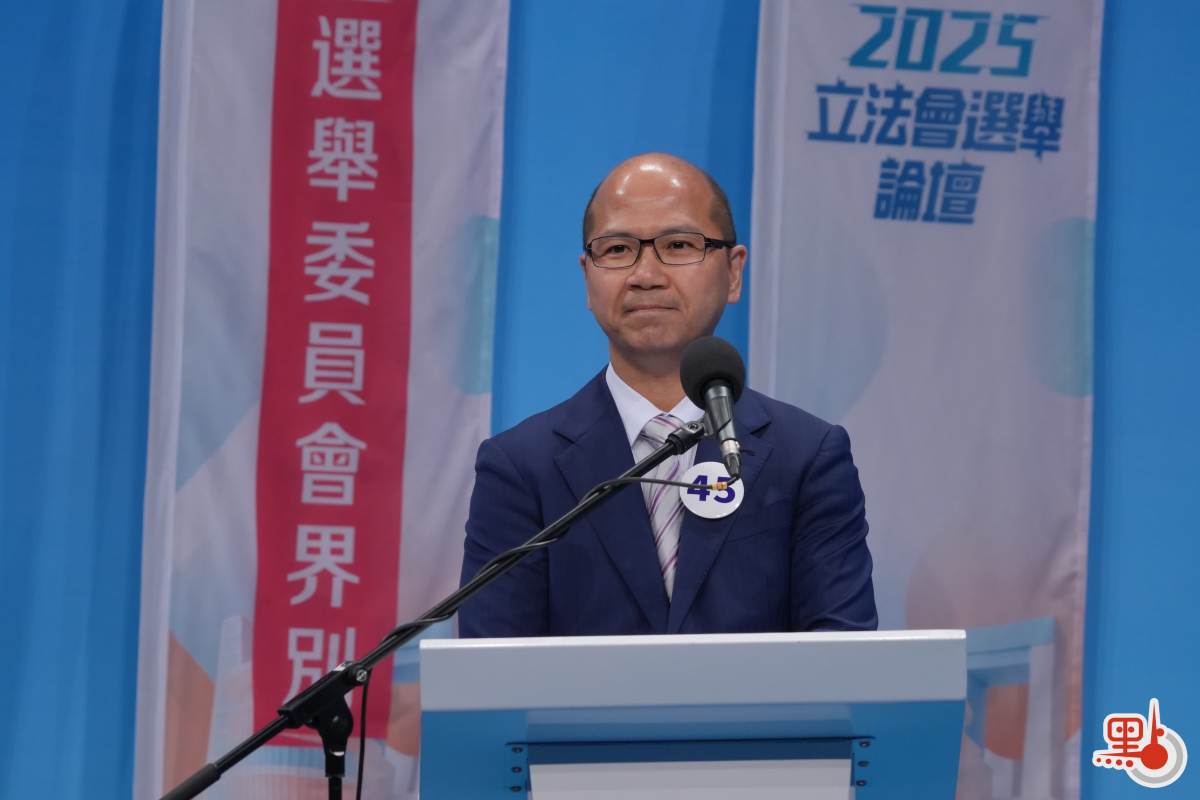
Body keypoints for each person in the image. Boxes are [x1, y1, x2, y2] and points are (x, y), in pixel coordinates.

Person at [458, 153, 876, 636]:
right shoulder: (520, 467)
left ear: (733, 272)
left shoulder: (806, 457)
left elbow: (842, 653)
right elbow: (492, 663)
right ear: (587, 276)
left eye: (678, 245)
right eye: (618, 249)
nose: (645, 275)